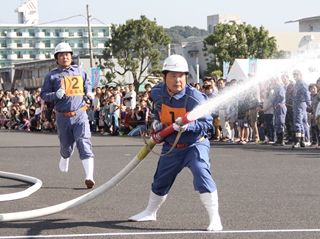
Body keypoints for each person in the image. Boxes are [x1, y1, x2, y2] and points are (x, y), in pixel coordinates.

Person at [128, 55, 222, 231]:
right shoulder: (157, 92)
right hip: (171, 146)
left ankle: (214, 218)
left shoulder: (195, 98)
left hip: (195, 145)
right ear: (164, 77)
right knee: (160, 180)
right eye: (173, 75)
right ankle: (150, 212)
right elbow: (158, 111)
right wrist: (157, 124)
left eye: (181, 75)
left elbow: (206, 124)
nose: (177, 80)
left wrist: (188, 126)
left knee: (202, 173)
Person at [40, 42, 95, 189]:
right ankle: (65, 157)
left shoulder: (79, 71)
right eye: (61, 55)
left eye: (67, 54)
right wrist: (55, 95)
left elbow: (87, 83)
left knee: (84, 142)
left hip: (80, 113)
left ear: (71, 56)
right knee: (67, 146)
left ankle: (89, 176)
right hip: (63, 116)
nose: (65, 57)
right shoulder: (51, 76)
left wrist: (89, 92)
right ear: (56, 58)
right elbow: (44, 95)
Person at [292, 69, 312, 148]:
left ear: (300, 75)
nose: (295, 77)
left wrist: (309, 104)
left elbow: (306, 94)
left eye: (296, 75)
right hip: (298, 103)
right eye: (294, 75)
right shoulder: (297, 84)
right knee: (303, 122)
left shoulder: (302, 83)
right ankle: (302, 140)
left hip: (300, 103)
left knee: (298, 121)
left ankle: (298, 140)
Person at [271, 77, 287, 146]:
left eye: (274, 80)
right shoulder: (276, 88)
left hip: (280, 107)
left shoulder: (280, 87)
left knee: (280, 122)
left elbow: (281, 96)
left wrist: (277, 103)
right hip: (276, 108)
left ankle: (281, 140)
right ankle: (278, 139)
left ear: (278, 80)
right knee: (277, 123)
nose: (273, 82)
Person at [281, 73, 295, 144]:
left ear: (288, 78)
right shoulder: (284, 87)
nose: (283, 80)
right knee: (287, 122)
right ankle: (290, 137)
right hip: (285, 106)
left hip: (290, 106)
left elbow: (291, 96)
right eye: (282, 79)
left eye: (284, 78)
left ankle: (292, 138)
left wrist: (287, 102)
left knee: (291, 122)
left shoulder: (291, 86)